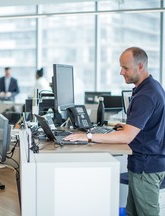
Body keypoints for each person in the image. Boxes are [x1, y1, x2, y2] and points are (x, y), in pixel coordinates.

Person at [64, 47, 165, 216]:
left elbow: (126, 137)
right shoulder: (149, 87)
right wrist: (124, 127)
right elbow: (144, 127)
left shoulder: (146, 95)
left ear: (140, 66)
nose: (121, 72)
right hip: (146, 162)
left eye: (125, 68)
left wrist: (88, 136)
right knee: (133, 212)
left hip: (146, 166)